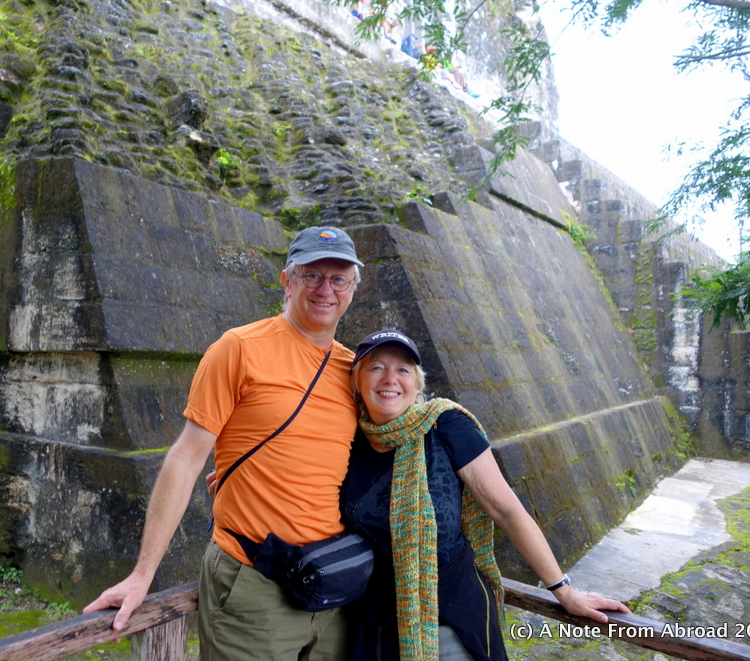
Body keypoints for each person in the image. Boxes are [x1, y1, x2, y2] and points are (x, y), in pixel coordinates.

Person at [84, 226, 365, 660]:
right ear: (287, 281)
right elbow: (186, 458)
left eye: (339, 279)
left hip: (333, 584)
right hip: (254, 584)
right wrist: (142, 575)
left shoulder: (355, 371)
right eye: (312, 275)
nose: (325, 289)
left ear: (352, 289)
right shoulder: (239, 349)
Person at [340, 329, 632, 660]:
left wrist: (564, 592)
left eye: (403, 369)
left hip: (452, 612)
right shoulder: (346, 440)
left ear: (416, 384)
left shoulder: (444, 424)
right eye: (376, 367)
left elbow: (506, 510)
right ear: (357, 381)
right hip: (375, 617)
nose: (390, 378)